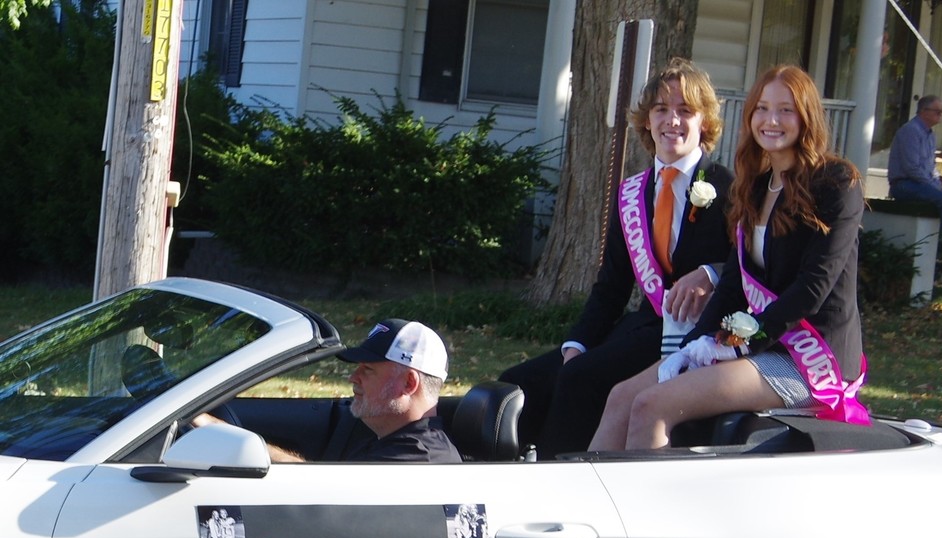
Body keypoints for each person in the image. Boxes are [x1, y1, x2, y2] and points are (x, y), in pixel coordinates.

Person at [589, 65, 869, 452]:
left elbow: (813, 288)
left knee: (654, 404)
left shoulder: (838, 183)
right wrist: (695, 343)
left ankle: (648, 510)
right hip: (755, 342)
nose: (771, 120)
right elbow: (734, 283)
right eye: (762, 109)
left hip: (807, 358)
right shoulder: (754, 185)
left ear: (807, 117)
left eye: (786, 110)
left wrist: (742, 343)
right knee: (623, 397)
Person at [499, 58, 734, 458]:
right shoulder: (632, 194)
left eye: (685, 111)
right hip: (641, 326)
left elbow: (752, 266)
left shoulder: (727, 186)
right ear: (646, 121)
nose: (671, 121)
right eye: (661, 109)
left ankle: (563, 483)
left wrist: (712, 272)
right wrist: (577, 341)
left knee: (582, 379)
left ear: (704, 123)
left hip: (694, 334)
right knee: (519, 382)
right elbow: (611, 286)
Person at [194, 319, 461, 463]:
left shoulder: (417, 456)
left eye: (367, 370)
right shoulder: (392, 437)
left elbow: (322, 493)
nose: (352, 376)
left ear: (408, 384)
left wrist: (218, 431)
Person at [887, 95, 942, 289]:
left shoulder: (930, 135)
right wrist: (933, 186)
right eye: (937, 111)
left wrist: (937, 185)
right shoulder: (910, 131)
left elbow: (930, 167)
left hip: (920, 184)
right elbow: (912, 168)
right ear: (923, 111)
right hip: (904, 185)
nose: (941, 115)